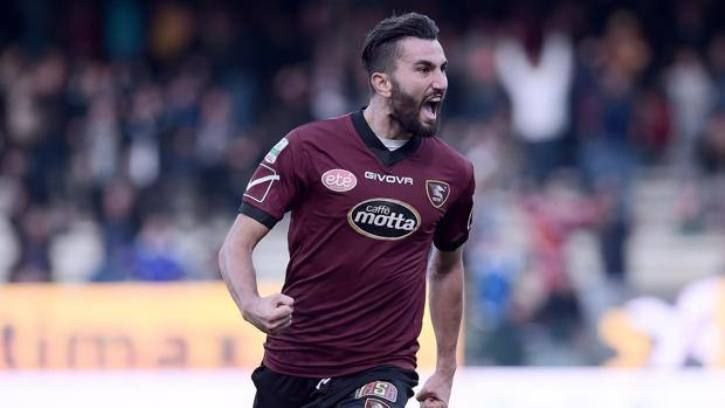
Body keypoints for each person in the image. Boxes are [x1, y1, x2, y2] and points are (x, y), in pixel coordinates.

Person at [218, 12, 474, 408]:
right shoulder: (306, 147)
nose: (440, 81)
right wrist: (251, 303)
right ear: (382, 82)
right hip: (292, 365)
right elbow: (236, 243)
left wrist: (445, 369)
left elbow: (446, 268)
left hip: (381, 370)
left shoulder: (454, 173)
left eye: (442, 69)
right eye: (424, 69)